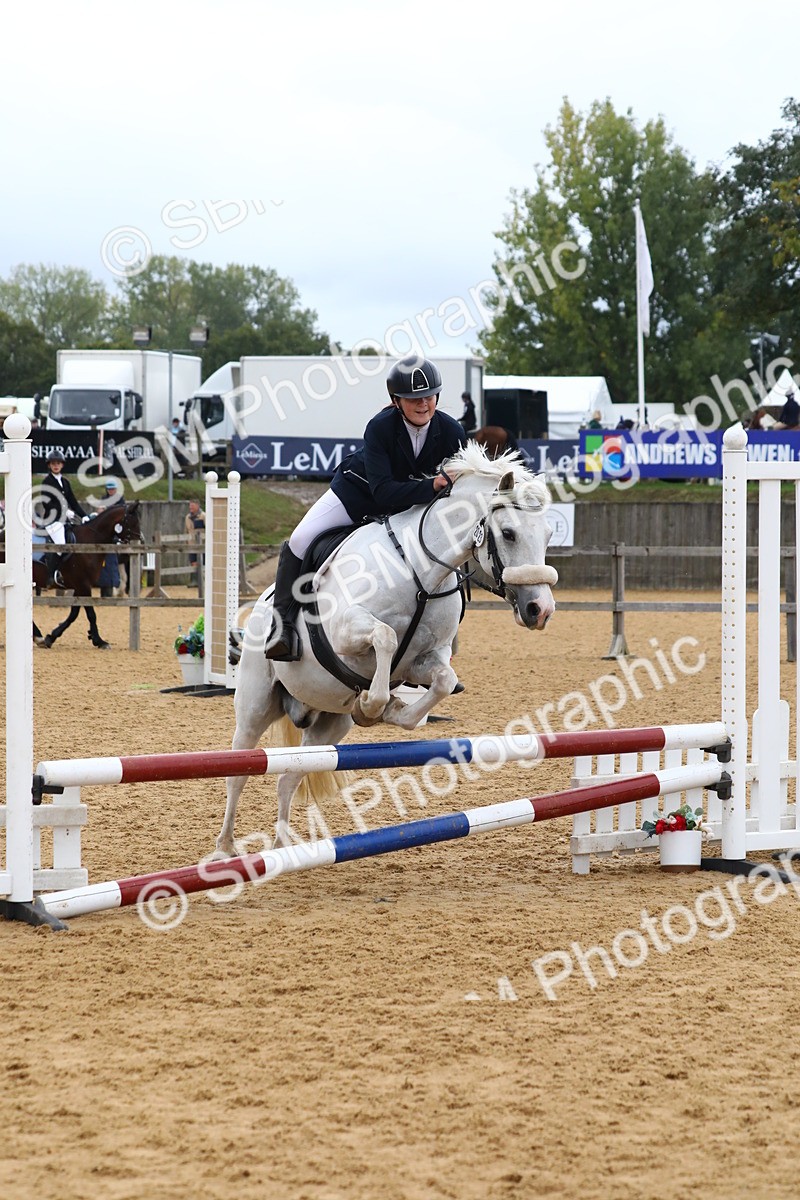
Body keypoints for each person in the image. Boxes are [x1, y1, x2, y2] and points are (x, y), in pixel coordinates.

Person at [265, 355, 468, 662]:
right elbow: (383, 491)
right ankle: (282, 626)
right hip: (356, 496)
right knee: (300, 540)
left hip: (409, 508)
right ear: (396, 401)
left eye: (428, 396)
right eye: (413, 399)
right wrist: (431, 487)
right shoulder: (380, 427)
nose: (423, 404)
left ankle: (443, 643)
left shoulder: (452, 432)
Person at [38, 450, 88, 587]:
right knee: (61, 545)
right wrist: (64, 512)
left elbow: (73, 501)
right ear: (49, 465)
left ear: (62, 465)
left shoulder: (65, 482)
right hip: (52, 521)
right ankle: (51, 575)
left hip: (64, 520)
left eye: (58, 463)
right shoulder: (46, 482)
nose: (56, 466)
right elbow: (47, 503)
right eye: (53, 463)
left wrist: (84, 516)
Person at [98, 480, 122, 596]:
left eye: (112, 489)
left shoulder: (120, 499)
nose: (111, 491)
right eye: (109, 489)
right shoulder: (103, 499)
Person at [185, 498, 205, 572]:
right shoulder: (187, 517)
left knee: (202, 562)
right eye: (190, 506)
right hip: (191, 544)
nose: (191, 508)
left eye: (192, 506)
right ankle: (195, 580)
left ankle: (202, 580)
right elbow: (186, 530)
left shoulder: (203, 516)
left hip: (202, 544)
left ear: (197, 506)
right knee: (193, 562)